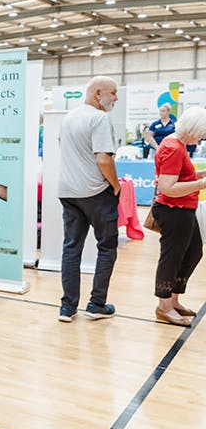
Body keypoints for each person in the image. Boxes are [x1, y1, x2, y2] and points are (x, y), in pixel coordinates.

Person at [57, 76, 121, 322]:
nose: (115, 98)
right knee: (107, 247)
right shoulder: (100, 118)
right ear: (97, 93)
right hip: (95, 192)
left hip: (68, 192)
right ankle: (96, 304)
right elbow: (103, 159)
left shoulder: (69, 118)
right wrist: (115, 185)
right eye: (113, 92)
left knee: (71, 249)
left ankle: (67, 307)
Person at [151, 107, 206, 327]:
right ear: (193, 129)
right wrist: (201, 184)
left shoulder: (178, 145)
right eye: (202, 133)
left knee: (192, 252)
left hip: (183, 209)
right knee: (172, 257)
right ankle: (164, 306)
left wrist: (196, 175)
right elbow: (168, 188)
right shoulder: (173, 147)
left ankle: (172, 300)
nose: (202, 138)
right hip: (174, 210)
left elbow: (176, 177)